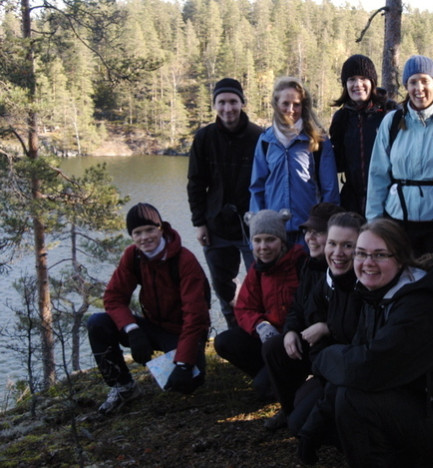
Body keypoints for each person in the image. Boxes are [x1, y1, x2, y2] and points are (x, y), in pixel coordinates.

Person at [312, 219, 433, 467]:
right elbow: (356, 356)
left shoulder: (420, 305)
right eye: (361, 254)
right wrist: (314, 425)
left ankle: (429, 458)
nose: (367, 263)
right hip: (419, 398)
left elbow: (367, 368)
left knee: (352, 398)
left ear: (400, 259)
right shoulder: (376, 292)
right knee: (328, 412)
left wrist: (321, 358)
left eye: (379, 255)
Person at [87, 203, 211, 415]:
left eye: (150, 230)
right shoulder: (133, 256)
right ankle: (123, 387)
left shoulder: (184, 260)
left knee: (190, 382)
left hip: (183, 332)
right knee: (97, 323)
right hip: (153, 326)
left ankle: (183, 362)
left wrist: (184, 363)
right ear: (131, 236)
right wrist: (132, 330)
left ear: (161, 228)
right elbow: (114, 297)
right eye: (137, 233)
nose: (144, 237)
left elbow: (195, 316)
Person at [365, 55, 433, 256]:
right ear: (406, 86)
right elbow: (378, 175)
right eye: (413, 82)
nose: (419, 88)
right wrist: (374, 223)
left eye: (424, 81)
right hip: (397, 222)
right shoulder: (392, 122)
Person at [187, 78, 263, 329]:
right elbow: (196, 183)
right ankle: (235, 332)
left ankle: (260, 330)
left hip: (252, 226)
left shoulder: (259, 137)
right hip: (216, 224)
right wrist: (199, 223)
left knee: (260, 283)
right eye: (221, 102)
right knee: (223, 287)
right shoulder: (204, 138)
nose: (227, 108)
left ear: (242, 103)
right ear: (215, 105)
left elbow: (267, 182)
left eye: (233, 101)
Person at [261, 202, 345, 430]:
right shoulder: (309, 265)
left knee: (303, 418)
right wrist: (290, 330)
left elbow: (351, 319)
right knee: (273, 348)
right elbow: (297, 306)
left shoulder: (344, 269)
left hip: (333, 348)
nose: (309, 238)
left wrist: (326, 327)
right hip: (308, 342)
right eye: (308, 232)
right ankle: (287, 410)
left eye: (318, 233)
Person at [213, 209, 307, 400]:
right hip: (269, 337)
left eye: (270, 240)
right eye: (257, 240)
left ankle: (289, 381)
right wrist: (260, 325)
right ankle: (271, 376)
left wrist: (291, 331)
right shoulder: (257, 269)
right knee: (224, 341)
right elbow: (244, 308)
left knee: (264, 387)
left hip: (296, 340)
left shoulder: (300, 264)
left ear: (282, 240)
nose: (263, 247)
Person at [250, 77, 340, 245]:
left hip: (308, 231)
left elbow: (330, 189)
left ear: (303, 106)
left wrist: (324, 227)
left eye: (296, 104)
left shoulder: (317, 140)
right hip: (274, 232)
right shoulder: (266, 141)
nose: (291, 110)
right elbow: (257, 188)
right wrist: (258, 227)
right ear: (276, 104)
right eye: (285, 103)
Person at [329, 54, 396, 213]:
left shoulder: (389, 113)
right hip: (352, 202)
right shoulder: (342, 118)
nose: (357, 85)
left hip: (387, 200)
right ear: (345, 84)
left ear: (372, 82)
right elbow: (337, 162)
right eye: (352, 79)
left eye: (363, 78)